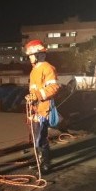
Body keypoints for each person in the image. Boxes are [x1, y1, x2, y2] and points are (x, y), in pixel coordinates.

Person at [24, 39, 60, 174]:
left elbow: (54, 87)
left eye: (30, 55)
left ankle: (46, 163)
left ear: (38, 54)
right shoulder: (34, 70)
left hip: (44, 109)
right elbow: (34, 90)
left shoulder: (47, 68)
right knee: (35, 137)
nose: (29, 58)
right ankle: (39, 160)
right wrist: (31, 97)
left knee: (41, 137)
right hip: (35, 108)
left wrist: (37, 96)